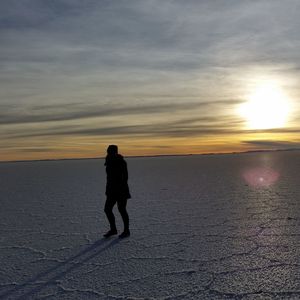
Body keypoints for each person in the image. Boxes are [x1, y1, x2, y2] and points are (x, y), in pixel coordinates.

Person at [103, 145, 131, 238]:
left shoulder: (121, 162)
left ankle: (126, 231)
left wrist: (120, 189)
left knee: (122, 209)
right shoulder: (108, 161)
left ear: (115, 152)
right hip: (111, 190)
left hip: (121, 190)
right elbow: (109, 178)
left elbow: (125, 177)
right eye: (108, 151)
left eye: (110, 151)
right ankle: (113, 229)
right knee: (107, 209)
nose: (108, 152)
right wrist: (108, 190)